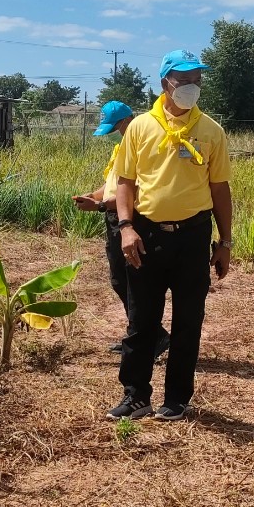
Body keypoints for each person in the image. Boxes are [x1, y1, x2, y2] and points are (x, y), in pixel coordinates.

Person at [107, 50, 232, 422]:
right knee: (141, 320)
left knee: (188, 321)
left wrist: (225, 242)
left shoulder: (211, 131)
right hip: (145, 235)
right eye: (184, 79)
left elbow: (220, 188)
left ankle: (176, 399)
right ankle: (136, 396)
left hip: (193, 236)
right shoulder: (140, 128)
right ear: (165, 83)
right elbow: (125, 182)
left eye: (197, 80)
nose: (192, 86)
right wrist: (126, 228)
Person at [72, 101, 170, 357]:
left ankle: (148, 337)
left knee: (134, 282)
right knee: (120, 280)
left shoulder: (142, 149)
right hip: (114, 219)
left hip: (130, 221)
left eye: (115, 128)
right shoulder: (121, 149)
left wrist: (100, 205)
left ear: (128, 121)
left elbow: (134, 193)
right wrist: (92, 196)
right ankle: (142, 334)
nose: (114, 134)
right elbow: (112, 186)